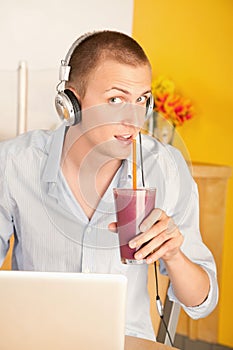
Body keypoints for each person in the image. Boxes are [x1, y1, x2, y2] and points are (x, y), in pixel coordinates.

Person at [0, 30, 218, 341]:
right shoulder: (14, 163)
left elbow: (201, 303)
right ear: (70, 103)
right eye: (115, 100)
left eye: (141, 99)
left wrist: (174, 254)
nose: (134, 119)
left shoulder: (164, 167)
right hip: (36, 339)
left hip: (127, 342)